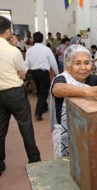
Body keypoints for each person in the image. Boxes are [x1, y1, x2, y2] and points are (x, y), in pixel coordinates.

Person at [0, 16, 41, 176]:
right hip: (15, 94)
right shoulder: (12, 50)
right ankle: (34, 161)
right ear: (8, 30)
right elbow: (23, 71)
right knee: (25, 128)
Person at [25, 31, 59, 121]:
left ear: (33, 39)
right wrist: (56, 72)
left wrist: (23, 73)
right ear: (42, 39)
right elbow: (53, 62)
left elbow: (26, 64)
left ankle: (44, 107)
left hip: (34, 73)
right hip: (44, 73)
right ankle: (38, 112)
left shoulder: (29, 50)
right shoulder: (46, 49)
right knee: (44, 92)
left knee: (40, 91)